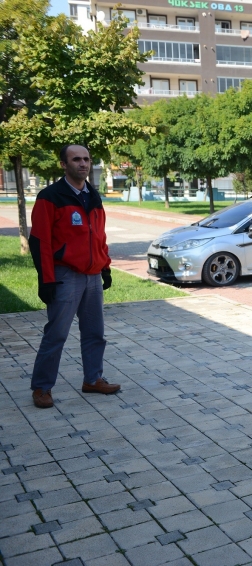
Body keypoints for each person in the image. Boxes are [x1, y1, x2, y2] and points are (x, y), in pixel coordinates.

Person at [29, 144, 120, 409]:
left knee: (95, 333)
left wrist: (105, 267)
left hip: (92, 276)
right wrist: (46, 279)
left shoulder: (94, 196)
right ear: (63, 164)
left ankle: (93, 379)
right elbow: (40, 242)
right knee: (56, 334)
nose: (83, 164)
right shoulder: (50, 197)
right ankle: (42, 388)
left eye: (87, 159)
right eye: (76, 159)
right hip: (64, 276)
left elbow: (99, 236)